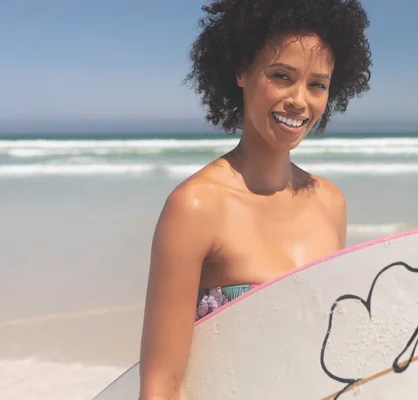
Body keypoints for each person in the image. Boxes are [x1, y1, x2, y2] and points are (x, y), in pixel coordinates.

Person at [138, 0, 372, 398]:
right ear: (242, 71)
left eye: (317, 84)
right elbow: (162, 386)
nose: (300, 100)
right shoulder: (195, 207)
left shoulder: (331, 204)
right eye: (282, 76)